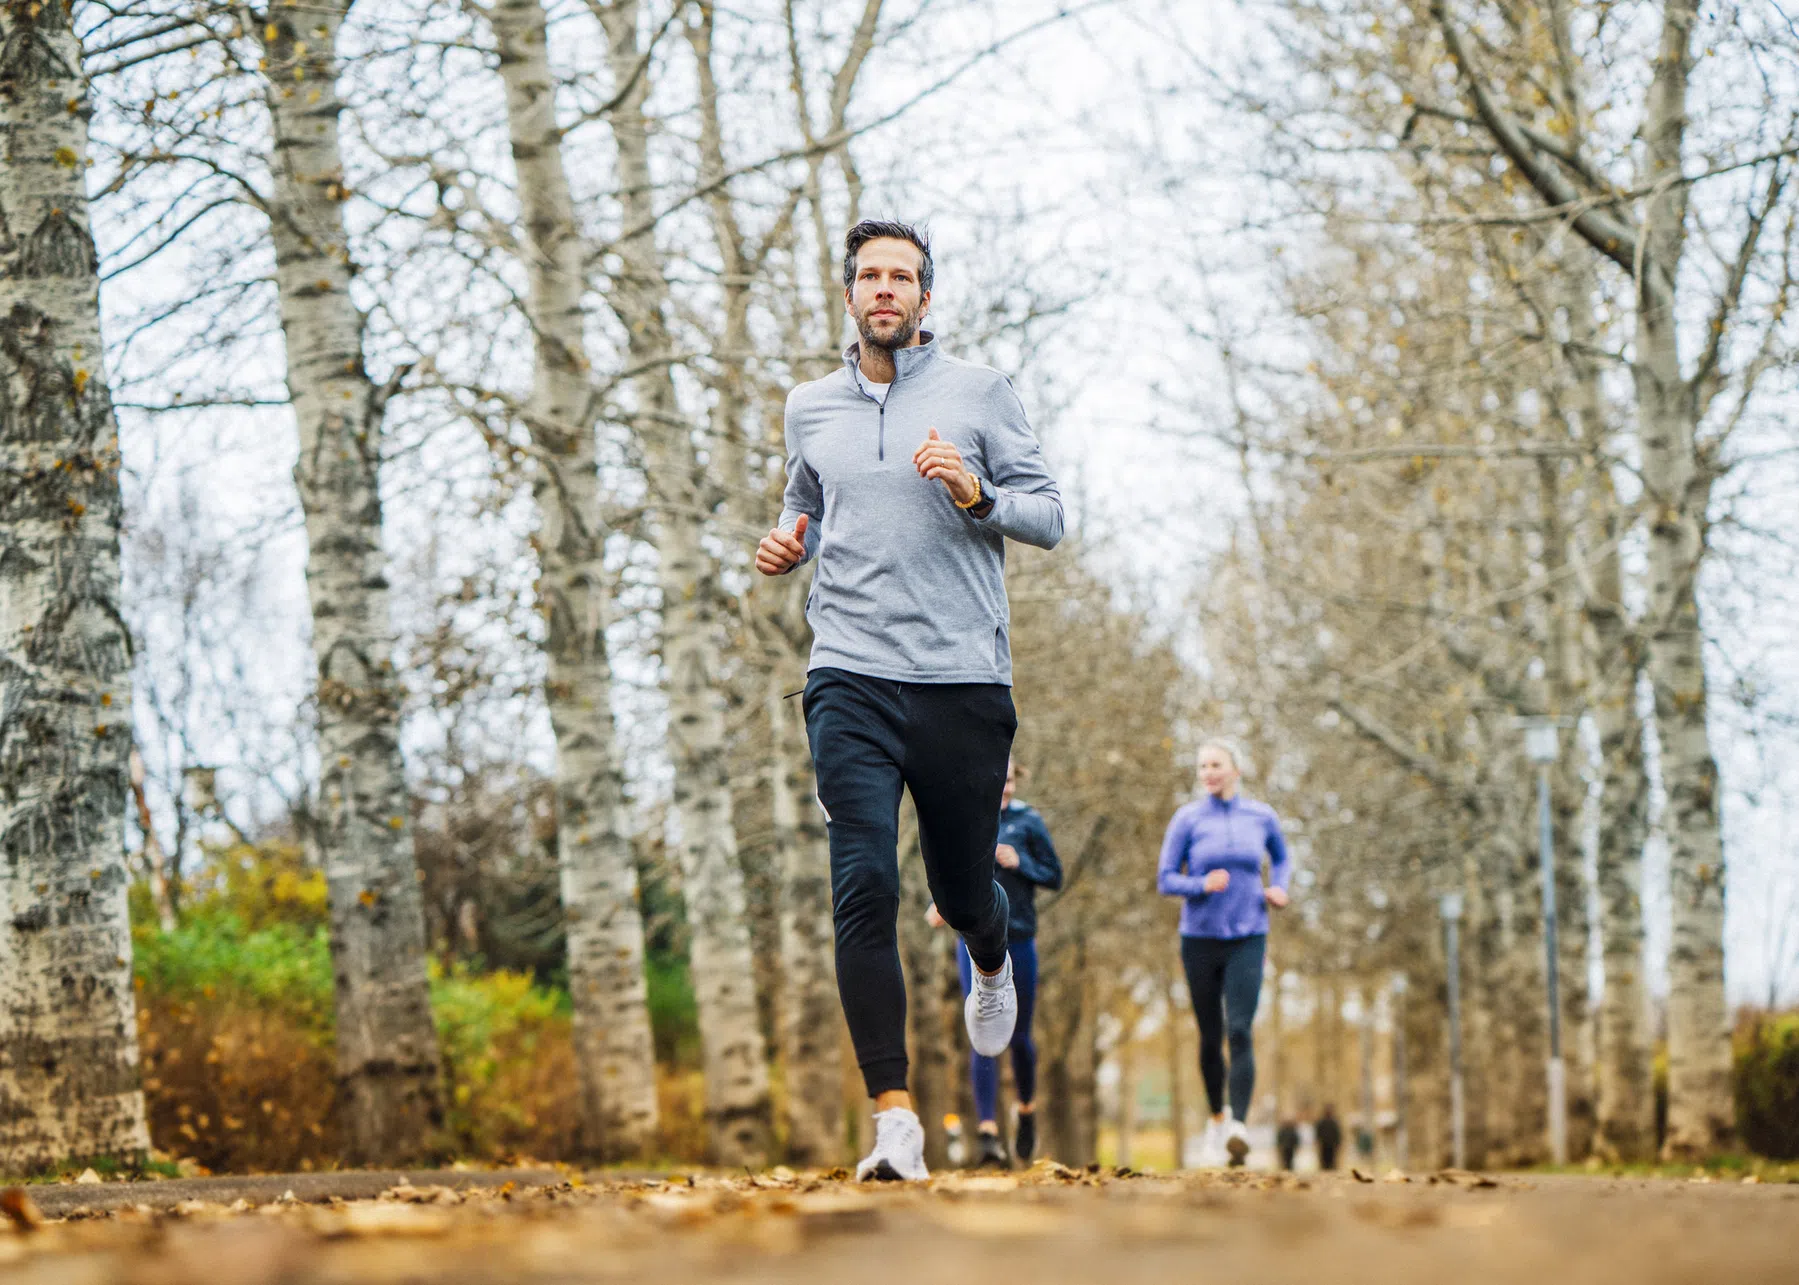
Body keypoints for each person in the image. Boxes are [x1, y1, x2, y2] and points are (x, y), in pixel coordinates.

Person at [755, 219, 1064, 1182]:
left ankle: (988, 955)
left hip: (961, 680)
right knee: (863, 886)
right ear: (847, 293)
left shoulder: (980, 394)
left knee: (962, 890)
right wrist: (788, 537)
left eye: (902, 277)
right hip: (847, 669)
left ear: (925, 298)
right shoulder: (810, 405)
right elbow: (805, 495)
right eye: (869, 275)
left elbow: (1048, 513)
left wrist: (975, 494)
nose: (884, 289)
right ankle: (894, 1120)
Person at [1156, 739, 1291, 1168]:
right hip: (1199, 938)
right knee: (1210, 1035)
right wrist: (1199, 885)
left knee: (1240, 1029)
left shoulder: (1261, 816)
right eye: (1202, 767)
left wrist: (1280, 887)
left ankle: (1238, 1126)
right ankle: (1216, 1119)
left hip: (1250, 931)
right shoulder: (1188, 818)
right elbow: (1164, 878)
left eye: (1216, 764)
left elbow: (1283, 858)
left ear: (1235, 769)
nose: (1208, 772)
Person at [927, 758, 1063, 1167]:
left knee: (1019, 1036)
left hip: (1019, 937)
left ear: (1016, 781)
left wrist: (1021, 863)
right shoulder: (969, 818)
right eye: (996, 780)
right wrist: (941, 904)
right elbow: (950, 871)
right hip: (973, 940)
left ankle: (1025, 1110)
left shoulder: (1029, 820)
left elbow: (1054, 875)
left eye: (1008, 781)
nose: (1002, 789)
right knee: (981, 1031)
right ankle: (987, 1133)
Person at [1315, 1105, 1343, 1171]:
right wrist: (1318, 1141)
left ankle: (1331, 1171)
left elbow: (1338, 1134)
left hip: (1332, 1144)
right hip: (1324, 1144)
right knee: (1324, 1160)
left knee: (1332, 1161)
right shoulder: (1321, 1122)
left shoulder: (1334, 1122)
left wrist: (1338, 1143)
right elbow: (1318, 1133)